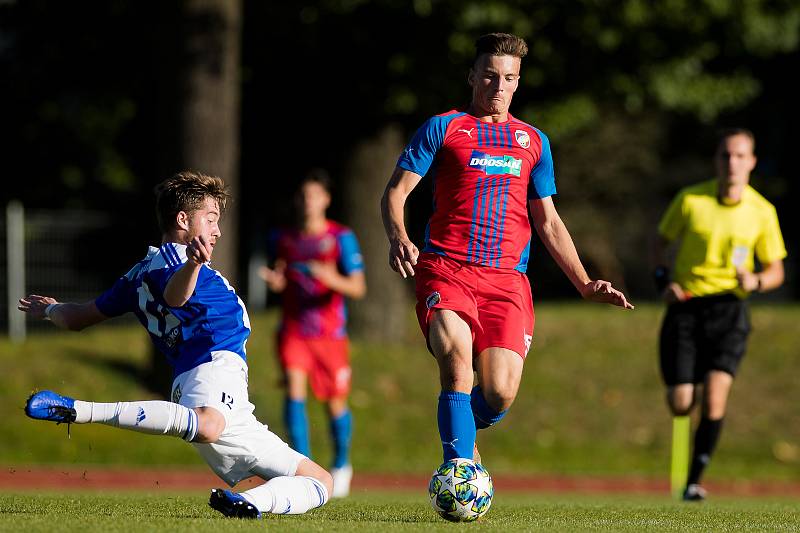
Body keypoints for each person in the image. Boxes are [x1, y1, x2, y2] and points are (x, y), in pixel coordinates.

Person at [380, 33, 633, 468]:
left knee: (498, 393)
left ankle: (457, 422)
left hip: (506, 281)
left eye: (509, 78)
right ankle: (458, 473)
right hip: (446, 268)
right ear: (473, 76)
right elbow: (396, 193)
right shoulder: (445, 127)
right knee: (457, 364)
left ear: (518, 82)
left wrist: (586, 284)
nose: (499, 87)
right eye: (491, 76)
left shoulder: (534, 142)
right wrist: (399, 236)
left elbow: (549, 221)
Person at [20, 171, 333, 519]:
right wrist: (194, 264)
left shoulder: (139, 273)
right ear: (183, 219)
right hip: (212, 367)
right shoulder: (176, 259)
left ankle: (251, 504)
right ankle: (80, 410)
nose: (217, 231)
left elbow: (80, 317)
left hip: (218, 392)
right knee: (209, 424)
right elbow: (175, 297)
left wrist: (48, 309)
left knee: (320, 481)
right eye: (210, 219)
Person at [653, 128, 786, 501]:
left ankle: (694, 480)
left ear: (752, 162)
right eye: (726, 155)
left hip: (730, 309)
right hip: (687, 306)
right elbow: (660, 243)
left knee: (715, 397)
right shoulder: (691, 200)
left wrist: (757, 280)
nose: (732, 163)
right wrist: (663, 280)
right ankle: (684, 395)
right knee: (681, 402)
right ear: (717, 160)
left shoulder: (762, 212)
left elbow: (776, 271)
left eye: (740, 156)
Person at [259, 170, 366, 498]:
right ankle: (303, 468)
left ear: (326, 200)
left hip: (329, 334)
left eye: (314, 195)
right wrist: (277, 284)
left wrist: (329, 277)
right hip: (294, 331)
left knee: (334, 403)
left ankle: (341, 464)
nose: (308, 202)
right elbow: (280, 275)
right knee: (294, 391)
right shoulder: (284, 238)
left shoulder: (340, 238)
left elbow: (358, 287)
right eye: (303, 196)